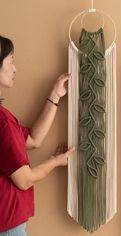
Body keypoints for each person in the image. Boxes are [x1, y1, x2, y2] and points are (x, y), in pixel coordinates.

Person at [0, 35, 75, 236]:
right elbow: (25, 180)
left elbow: (33, 140)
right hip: (6, 227)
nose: (15, 68)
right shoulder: (2, 121)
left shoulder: (4, 117)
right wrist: (56, 161)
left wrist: (56, 95)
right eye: (11, 61)